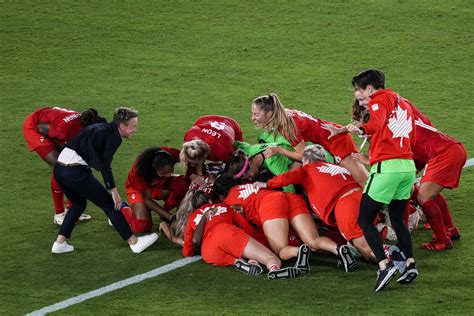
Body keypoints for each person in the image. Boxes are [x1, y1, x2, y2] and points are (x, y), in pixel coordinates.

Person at [324, 69, 418, 291]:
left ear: (369, 88)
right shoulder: (403, 103)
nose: (358, 94)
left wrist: (360, 128)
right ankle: (411, 264)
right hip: (407, 167)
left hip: (387, 170)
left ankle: (384, 266)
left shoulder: (378, 99)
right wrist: (373, 156)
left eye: (359, 89)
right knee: (397, 219)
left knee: (364, 219)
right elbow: (404, 134)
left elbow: (375, 123)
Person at [351, 96, 466, 251]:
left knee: (423, 197)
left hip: (442, 154)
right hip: (447, 149)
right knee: (426, 192)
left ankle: (442, 241)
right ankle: (450, 230)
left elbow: (390, 163)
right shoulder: (405, 115)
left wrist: (369, 160)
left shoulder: (391, 133)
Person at [214, 156, 357, 273]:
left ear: (221, 196)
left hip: (270, 205)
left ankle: (299, 251)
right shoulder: (246, 186)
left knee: (281, 250)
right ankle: (338, 249)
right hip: (288, 197)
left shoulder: (228, 202)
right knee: (313, 241)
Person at [51, 107, 158, 254]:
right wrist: (113, 191)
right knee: (110, 204)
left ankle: (59, 244)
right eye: (133, 126)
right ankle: (134, 242)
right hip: (75, 171)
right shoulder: (113, 137)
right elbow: (104, 165)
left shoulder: (100, 128)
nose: (135, 130)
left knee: (78, 204)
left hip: (59, 170)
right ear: (122, 126)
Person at [255, 144, 376, 263]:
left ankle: (388, 257)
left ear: (306, 160)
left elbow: (286, 178)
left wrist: (266, 184)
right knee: (370, 237)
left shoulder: (308, 169)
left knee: (367, 250)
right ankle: (385, 243)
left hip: (344, 204)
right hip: (362, 197)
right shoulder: (336, 167)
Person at [251, 94, 368, 187]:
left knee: (362, 179)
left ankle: (382, 208)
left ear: (269, 113)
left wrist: (279, 150)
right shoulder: (283, 113)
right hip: (331, 135)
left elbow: (303, 156)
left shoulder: (287, 127)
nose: (252, 117)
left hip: (336, 141)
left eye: (256, 114)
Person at [182, 191, 302, 279]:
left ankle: (240, 262)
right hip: (226, 233)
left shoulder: (191, 218)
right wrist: (264, 243)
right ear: (209, 201)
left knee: (238, 253)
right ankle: (274, 269)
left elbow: (188, 251)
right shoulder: (223, 206)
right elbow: (246, 228)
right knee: (271, 258)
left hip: (208, 252)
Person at [22, 107, 106, 224]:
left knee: (76, 167)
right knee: (60, 167)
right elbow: (41, 127)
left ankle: (72, 210)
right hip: (35, 128)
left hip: (54, 127)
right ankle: (59, 215)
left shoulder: (82, 127)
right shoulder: (64, 129)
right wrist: (60, 146)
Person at [121, 146, 190, 233]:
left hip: (159, 185)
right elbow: (147, 200)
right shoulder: (140, 171)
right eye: (163, 173)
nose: (168, 175)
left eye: (171, 171)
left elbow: (192, 160)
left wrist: (192, 175)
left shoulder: (170, 154)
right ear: (154, 168)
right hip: (138, 189)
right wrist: (170, 217)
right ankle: (123, 209)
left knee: (183, 184)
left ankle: (170, 211)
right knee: (142, 226)